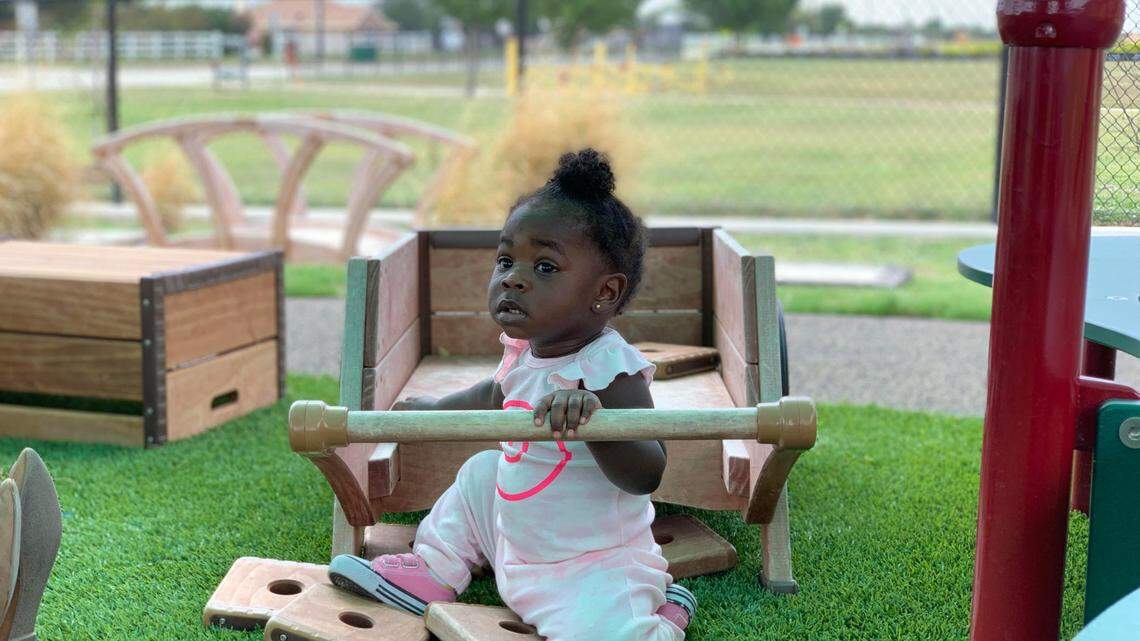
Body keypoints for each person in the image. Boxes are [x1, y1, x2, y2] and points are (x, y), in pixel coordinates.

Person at [328, 149, 696, 640]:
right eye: (505, 259)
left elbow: (648, 472)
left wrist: (598, 423)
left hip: (589, 565)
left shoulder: (609, 367)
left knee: (608, 632)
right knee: (481, 474)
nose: (513, 277)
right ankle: (435, 570)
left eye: (545, 267)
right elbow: (492, 396)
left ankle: (662, 620)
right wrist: (433, 413)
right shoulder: (526, 351)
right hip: (519, 541)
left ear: (604, 293)